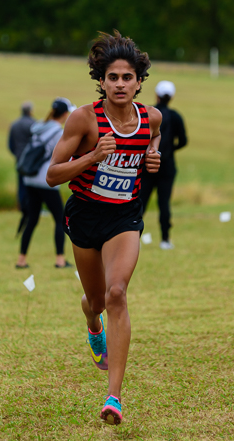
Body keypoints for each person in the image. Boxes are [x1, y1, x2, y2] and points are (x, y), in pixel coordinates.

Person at [46, 30, 162, 425]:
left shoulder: (151, 117)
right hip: (85, 217)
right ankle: (91, 323)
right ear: (101, 80)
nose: (120, 84)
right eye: (112, 77)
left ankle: (113, 397)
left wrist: (153, 156)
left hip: (124, 217)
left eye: (127, 77)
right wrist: (93, 155)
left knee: (117, 293)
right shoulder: (85, 118)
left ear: (138, 81)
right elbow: (52, 174)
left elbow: (155, 138)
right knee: (96, 301)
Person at [15, 97, 76, 269]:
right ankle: (60, 259)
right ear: (64, 114)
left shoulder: (40, 126)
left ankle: (21, 259)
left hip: (29, 178)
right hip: (45, 180)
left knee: (32, 218)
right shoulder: (58, 132)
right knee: (60, 218)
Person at [139, 80, 188, 249]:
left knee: (141, 201)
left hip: (147, 164)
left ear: (157, 95)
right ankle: (165, 239)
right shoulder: (175, 116)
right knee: (164, 203)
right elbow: (183, 141)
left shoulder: (148, 113)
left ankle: (132, 237)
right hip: (167, 166)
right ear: (172, 97)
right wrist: (169, 151)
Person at [8, 101, 36, 234]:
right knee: (31, 185)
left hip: (19, 159)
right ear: (30, 111)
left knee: (21, 184)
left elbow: (10, 144)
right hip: (31, 160)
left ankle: (22, 207)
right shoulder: (33, 124)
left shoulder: (14, 124)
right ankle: (31, 208)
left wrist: (17, 155)